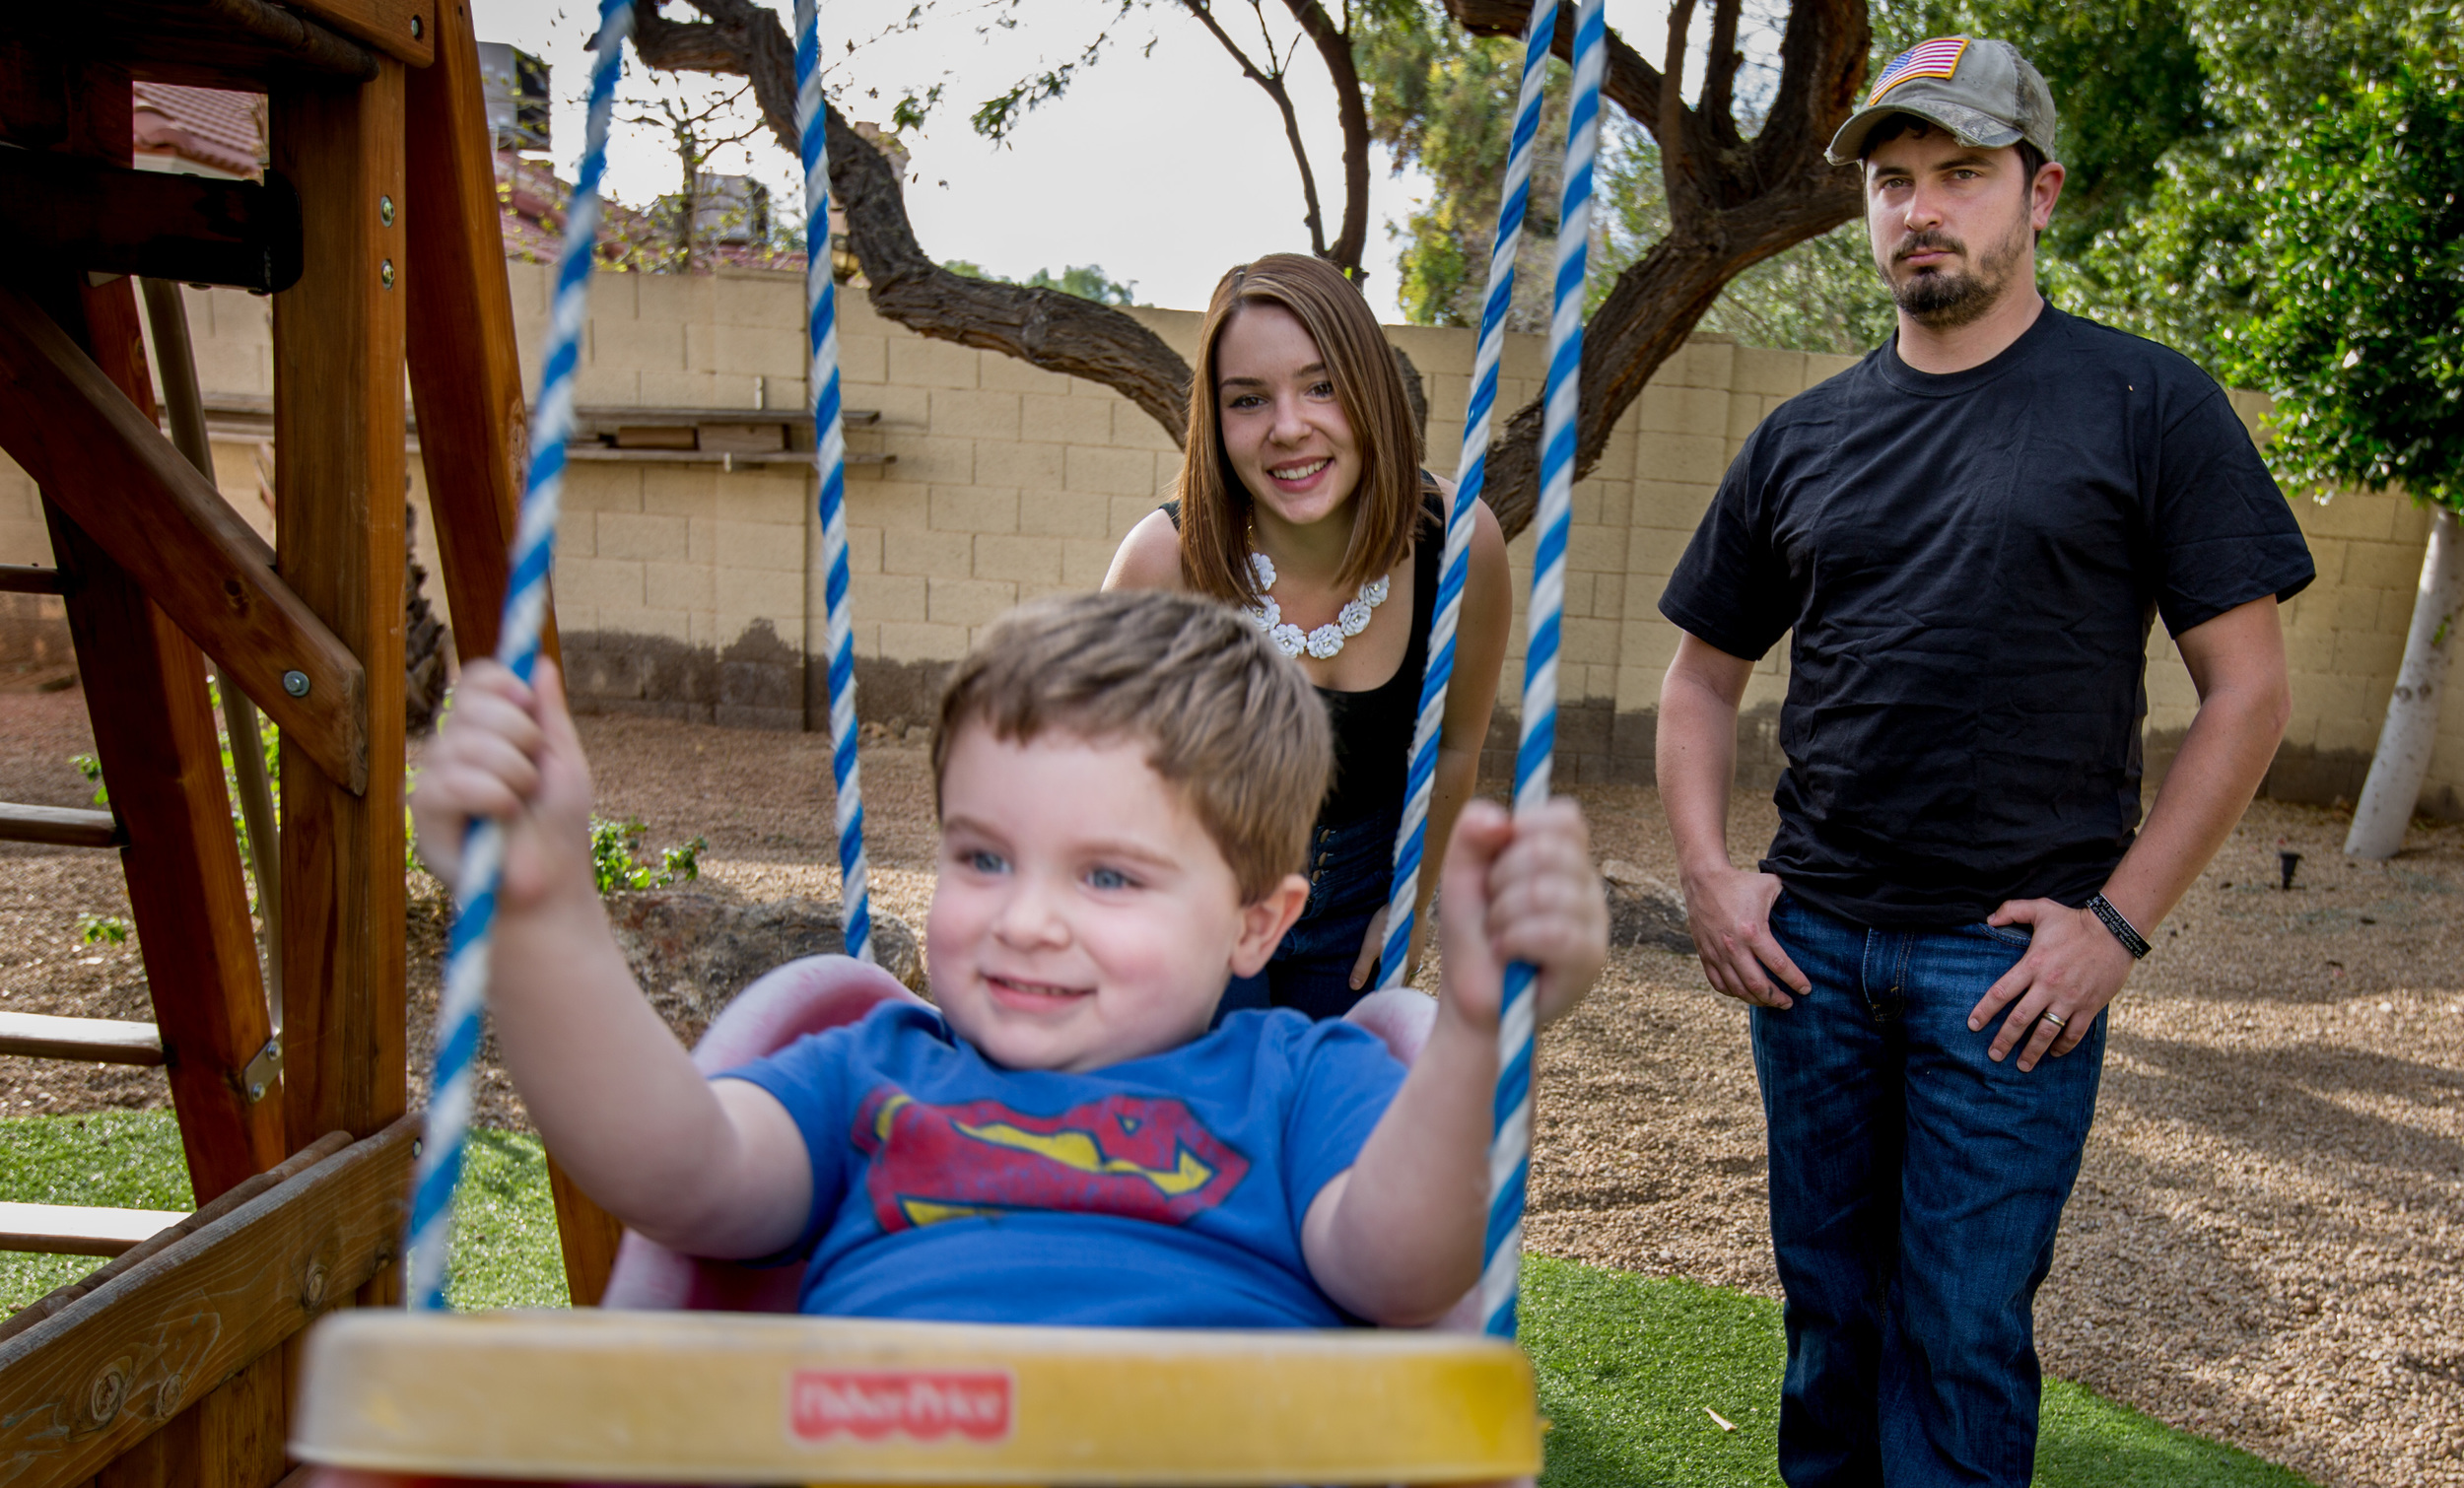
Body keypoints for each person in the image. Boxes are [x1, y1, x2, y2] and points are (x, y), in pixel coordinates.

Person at [1652, 36, 2313, 1487]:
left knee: (1957, 1336)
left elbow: (2249, 692)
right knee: (1831, 1322)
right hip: (1811, 953)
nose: (1922, 209)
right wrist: (1711, 874)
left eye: (1961, 173)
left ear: (2042, 191)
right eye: (1894, 183)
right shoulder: (1803, 436)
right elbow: (1702, 677)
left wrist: (2119, 929)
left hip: (2007, 975)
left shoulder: (2149, 406)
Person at [411, 589, 1606, 1329]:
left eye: (1107, 875)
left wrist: (1474, 1033)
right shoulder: (868, 1076)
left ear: (1257, 923)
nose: (1026, 919)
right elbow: (676, 1174)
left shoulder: (1298, 1085)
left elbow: (1404, 1271)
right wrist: (539, 907)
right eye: (983, 859)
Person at [1105, 253, 1513, 1020]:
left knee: (1332, 1133)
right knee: (1212, 1132)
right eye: (1249, 399)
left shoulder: (1459, 546)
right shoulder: (1162, 564)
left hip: (1360, 910)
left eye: (1321, 386)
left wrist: (1412, 900)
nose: (1289, 428)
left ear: (1370, 389)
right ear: (1215, 422)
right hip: (1194, 906)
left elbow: (1456, 744)